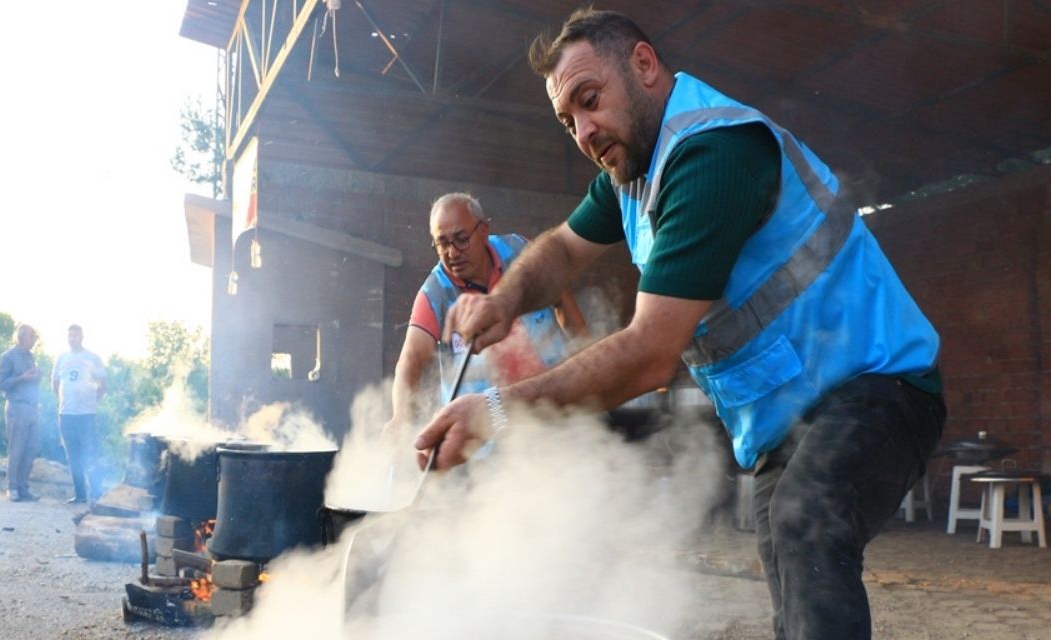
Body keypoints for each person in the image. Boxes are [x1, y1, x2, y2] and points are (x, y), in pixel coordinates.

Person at [414, 9, 945, 639]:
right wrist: (505, 301)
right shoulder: (631, 170)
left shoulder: (713, 154)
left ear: (643, 65)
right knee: (791, 568)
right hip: (786, 421)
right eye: (568, 120)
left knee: (805, 522)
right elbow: (562, 248)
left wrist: (497, 412)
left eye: (590, 100)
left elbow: (650, 353)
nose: (584, 132)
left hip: (880, 386)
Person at [387, 193, 586, 431]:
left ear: (483, 231)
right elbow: (411, 357)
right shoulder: (435, 292)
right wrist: (401, 415)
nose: (452, 253)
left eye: (461, 239)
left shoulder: (519, 251)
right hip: (482, 430)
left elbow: (562, 299)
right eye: (442, 244)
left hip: (552, 404)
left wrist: (586, 357)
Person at [52, 324, 105, 504]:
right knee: (73, 456)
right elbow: (55, 383)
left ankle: (97, 492)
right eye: (70, 336)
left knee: (90, 453)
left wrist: (92, 402)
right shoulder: (61, 358)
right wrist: (64, 400)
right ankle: (80, 494)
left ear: (82, 337)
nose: (72, 339)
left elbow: (103, 385)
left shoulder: (92, 358)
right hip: (66, 414)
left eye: (75, 335)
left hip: (86, 415)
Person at [0, 324, 42, 502]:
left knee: (31, 449)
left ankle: (24, 487)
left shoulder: (30, 356)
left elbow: (32, 381)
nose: (35, 340)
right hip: (16, 407)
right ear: (22, 338)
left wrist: (37, 376)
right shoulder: (8, 357)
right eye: (32, 337)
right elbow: (1, 384)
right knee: (16, 449)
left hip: (32, 407)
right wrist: (22, 378)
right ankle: (12, 487)